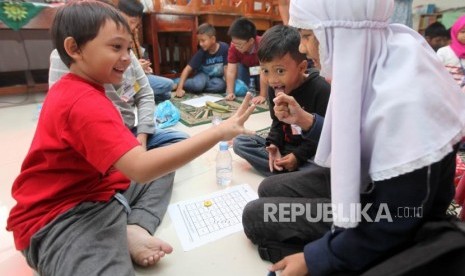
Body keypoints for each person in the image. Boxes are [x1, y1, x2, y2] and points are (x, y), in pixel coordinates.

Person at [6, 2, 256, 275]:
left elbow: (143, 112)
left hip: (100, 189)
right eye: (116, 47)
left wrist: (142, 140)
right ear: (74, 49)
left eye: (128, 47)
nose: (127, 58)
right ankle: (120, 228)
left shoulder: (87, 87)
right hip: (61, 218)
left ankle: (133, 227)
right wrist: (218, 131)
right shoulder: (81, 101)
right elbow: (140, 168)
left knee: (163, 166)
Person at [243, 0, 465, 275]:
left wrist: (316, 259)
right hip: (370, 184)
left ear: (340, 32)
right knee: (268, 189)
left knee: (257, 216)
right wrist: (304, 121)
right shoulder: (376, 56)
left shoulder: (406, 100)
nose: (302, 47)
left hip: (390, 216)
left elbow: (397, 218)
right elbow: (352, 141)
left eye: (308, 36)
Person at [233, 25, 330, 177]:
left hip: (310, 152)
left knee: (323, 167)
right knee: (240, 143)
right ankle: (289, 174)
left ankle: (287, 174)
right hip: (286, 148)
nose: (272, 80)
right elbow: (277, 123)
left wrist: (297, 157)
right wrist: (273, 145)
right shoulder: (275, 88)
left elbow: (324, 137)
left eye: (280, 71)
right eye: (265, 70)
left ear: (302, 67)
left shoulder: (320, 88)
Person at [118, 0, 174, 103]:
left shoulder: (132, 32)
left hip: (133, 77)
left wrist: (142, 66)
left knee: (166, 94)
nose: (133, 26)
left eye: (135, 23)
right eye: (131, 21)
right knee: (167, 87)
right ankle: (129, 97)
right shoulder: (115, 36)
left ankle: (133, 96)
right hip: (124, 80)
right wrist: (136, 67)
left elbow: (134, 59)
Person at [174, 23, 229, 98]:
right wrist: (179, 88)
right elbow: (187, 69)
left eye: (203, 41)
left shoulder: (224, 48)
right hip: (203, 75)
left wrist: (229, 89)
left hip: (216, 78)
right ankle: (177, 82)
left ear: (213, 39)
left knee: (221, 86)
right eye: (199, 41)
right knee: (198, 85)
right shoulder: (201, 52)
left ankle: (198, 88)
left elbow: (226, 68)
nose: (200, 44)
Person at [225, 17, 267, 105]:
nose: (236, 47)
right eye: (234, 43)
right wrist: (230, 92)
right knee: (242, 90)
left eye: (239, 45)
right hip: (246, 68)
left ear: (251, 41)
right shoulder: (234, 46)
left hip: (262, 69)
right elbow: (231, 71)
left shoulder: (263, 44)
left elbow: (265, 70)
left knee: (267, 87)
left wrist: (263, 95)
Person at [437, 15, 465, 92]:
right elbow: (436, 72)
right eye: (463, 32)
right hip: (447, 93)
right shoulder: (444, 52)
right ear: (456, 31)